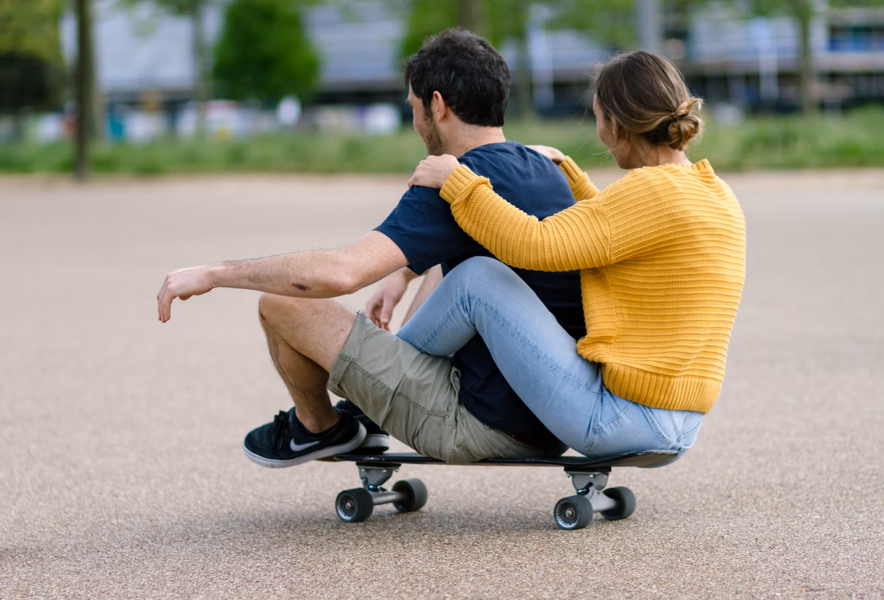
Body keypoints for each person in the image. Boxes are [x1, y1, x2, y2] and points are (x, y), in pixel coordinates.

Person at [155, 29, 583, 466]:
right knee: (453, 264)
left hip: (483, 423)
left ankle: (317, 428)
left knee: (283, 304)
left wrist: (214, 273)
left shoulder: (453, 179)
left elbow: (340, 273)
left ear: (438, 105)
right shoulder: (544, 166)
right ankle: (365, 413)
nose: (416, 123)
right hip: (552, 416)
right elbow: (477, 236)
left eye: (415, 109)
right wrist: (402, 273)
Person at [401, 50, 747, 460]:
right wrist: (570, 172)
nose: (598, 131)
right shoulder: (713, 192)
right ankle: (386, 374)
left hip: (618, 418)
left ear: (616, 124)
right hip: (678, 422)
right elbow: (624, 233)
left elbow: (535, 244)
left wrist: (459, 183)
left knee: (478, 280)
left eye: (598, 117)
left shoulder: (648, 192)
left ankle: (377, 377)